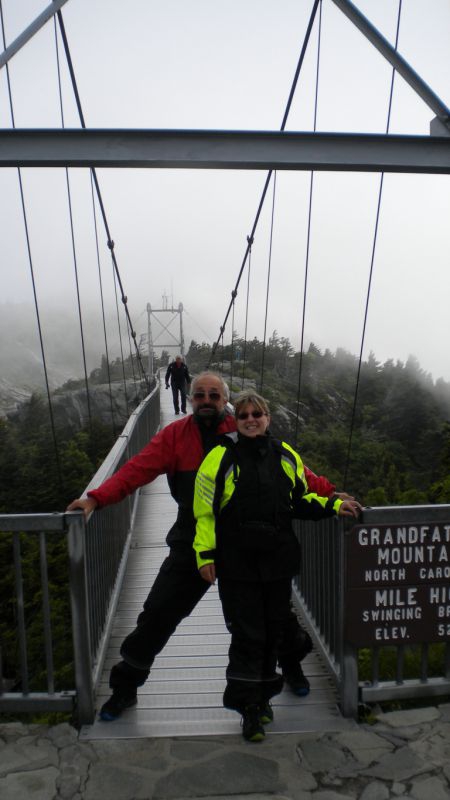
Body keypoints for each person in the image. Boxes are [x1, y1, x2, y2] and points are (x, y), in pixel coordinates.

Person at [66, 371, 353, 721]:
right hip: (193, 538)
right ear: (189, 399)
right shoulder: (174, 436)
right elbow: (135, 470)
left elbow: (291, 470)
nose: (206, 401)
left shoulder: (242, 426)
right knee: (159, 613)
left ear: (224, 400)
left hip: (243, 545)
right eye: (199, 395)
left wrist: (331, 495)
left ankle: (290, 667)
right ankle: (125, 688)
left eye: (214, 395)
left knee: (274, 618)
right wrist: (95, 499)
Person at [193, 391, 361, 742]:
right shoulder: (220, 456)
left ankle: (264, 696)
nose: (251, 420)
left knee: (272, 632)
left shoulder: (284, 454)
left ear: (267, 418)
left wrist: (333, 505)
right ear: (236, 421)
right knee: (247, 635)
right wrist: (204, 554)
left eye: (257, 414)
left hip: (276, 561)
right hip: (237, 564)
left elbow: (300, 499)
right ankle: (250, 708)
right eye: (243, 415)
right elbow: (205, 510)